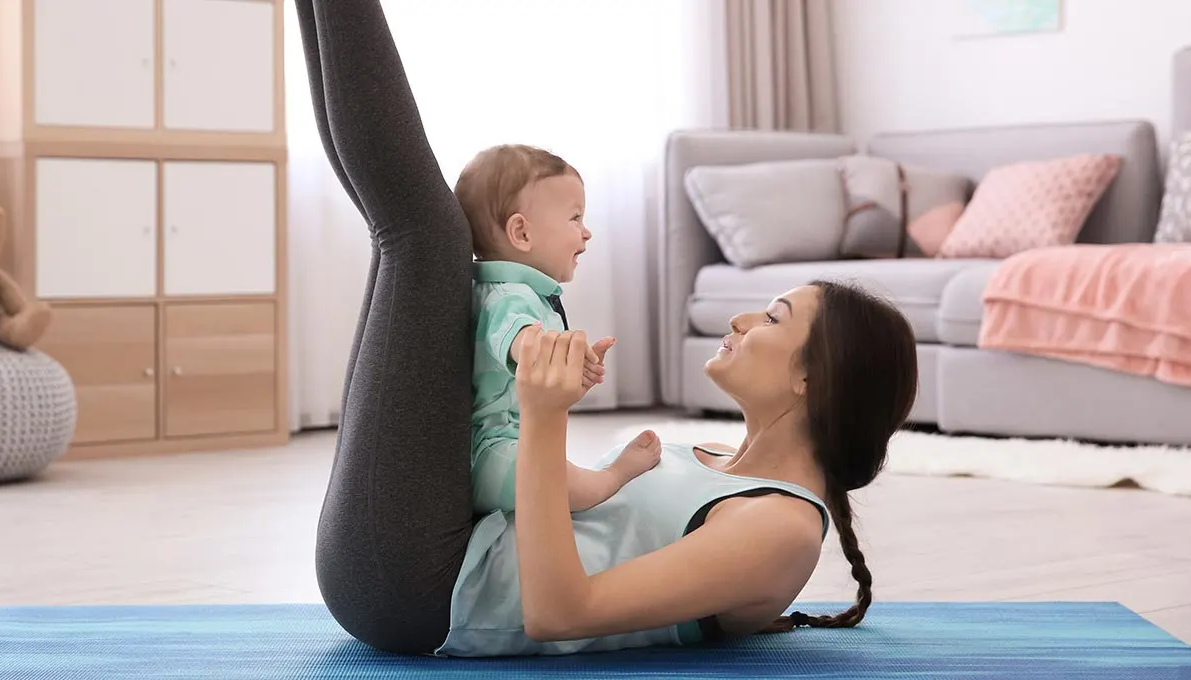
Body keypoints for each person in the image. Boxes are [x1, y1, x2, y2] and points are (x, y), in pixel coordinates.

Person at [296, 0, 920, 658]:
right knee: (417, 243)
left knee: (427, 240)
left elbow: (559, 613)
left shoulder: (782, 528)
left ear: (810, 376)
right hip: (441, 544)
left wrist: (542, 416)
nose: (742, 318)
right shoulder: (706, 461)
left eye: (772, 317)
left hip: (422, 592)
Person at [455, 144, 663, 515]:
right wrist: (552, 350)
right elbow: (521, 342)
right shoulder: (506, 297)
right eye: (575, 218)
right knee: (563, 487)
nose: (587, 233)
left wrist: (567, 377)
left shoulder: (518, 293)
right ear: (521, 232)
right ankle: (614, 476)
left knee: (554, 471)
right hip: (487, 452)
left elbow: (527, 387)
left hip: (510, 442)